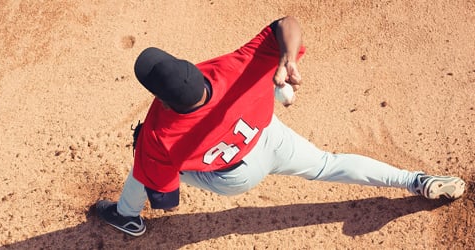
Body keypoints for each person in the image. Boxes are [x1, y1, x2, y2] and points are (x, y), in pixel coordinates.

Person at [94, 16, 466, 237]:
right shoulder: (230, 68)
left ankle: (126, 218)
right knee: (327, 164)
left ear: (163, 99)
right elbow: (288, 22)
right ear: (194, 69)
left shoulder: (161, 132)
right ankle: (416, 181)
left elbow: (167, 201)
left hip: (232, 178)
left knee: (144, 161)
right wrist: (286, 59)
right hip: (269, 137)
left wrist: (151, 153)